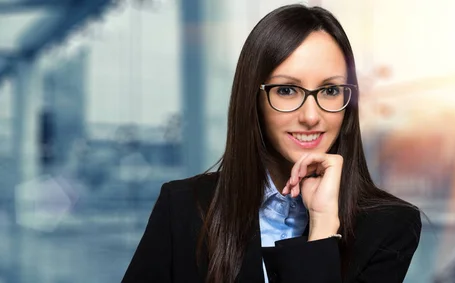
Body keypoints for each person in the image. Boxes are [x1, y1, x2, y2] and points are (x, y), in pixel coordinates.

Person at [122, 4, 421, 283]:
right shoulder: (184, 207)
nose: (311, 116)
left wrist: (322, 228)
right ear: (254, 99)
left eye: (330, 90)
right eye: (287, 90)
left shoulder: (390, 226)